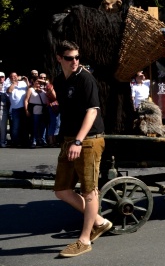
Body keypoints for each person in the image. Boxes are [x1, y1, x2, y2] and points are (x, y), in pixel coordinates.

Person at [50, 40, 112, 258]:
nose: (74, 61)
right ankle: (99, 221)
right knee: (61, 190)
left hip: (88, 139)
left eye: (77, 57)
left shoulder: (86, 78)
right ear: (59, 58)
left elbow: (92, 111)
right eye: (69, 58)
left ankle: (85, 239)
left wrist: (77, 141)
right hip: (69, 139)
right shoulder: (58, 80)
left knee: (89, 190)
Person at [24, 77, 49, 148]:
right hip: (35, 111)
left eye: (40, 83)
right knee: (34, 126)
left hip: (43, 110)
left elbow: (48, 84)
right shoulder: (31, 89)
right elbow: (26, 100)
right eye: (37, 82)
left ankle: (42, 140)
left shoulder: (43, 90)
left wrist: (43, 82)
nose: (38, 84)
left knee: (43, 127)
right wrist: (26, 110)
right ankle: (34, 140)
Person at [6, 72, 28, 147]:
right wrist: (14, 83)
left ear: (18, 76)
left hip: (23, 108)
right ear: (9, 78)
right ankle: (15, 142)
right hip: (15, 109)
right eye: (12, 76)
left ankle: (24, 142)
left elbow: (29, 89)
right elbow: (9, 91)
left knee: (24, 126)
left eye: (15, 76)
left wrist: (27, 80)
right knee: (15, 127)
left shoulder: (23, 83)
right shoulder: (8, 84)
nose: (14, 77)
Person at [0, 72, 8, 147]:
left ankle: (3, 141)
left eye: (2, 77)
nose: (1, 78)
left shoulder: (7, 84)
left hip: (4, 107)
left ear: (4, 77)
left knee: (3, 127)